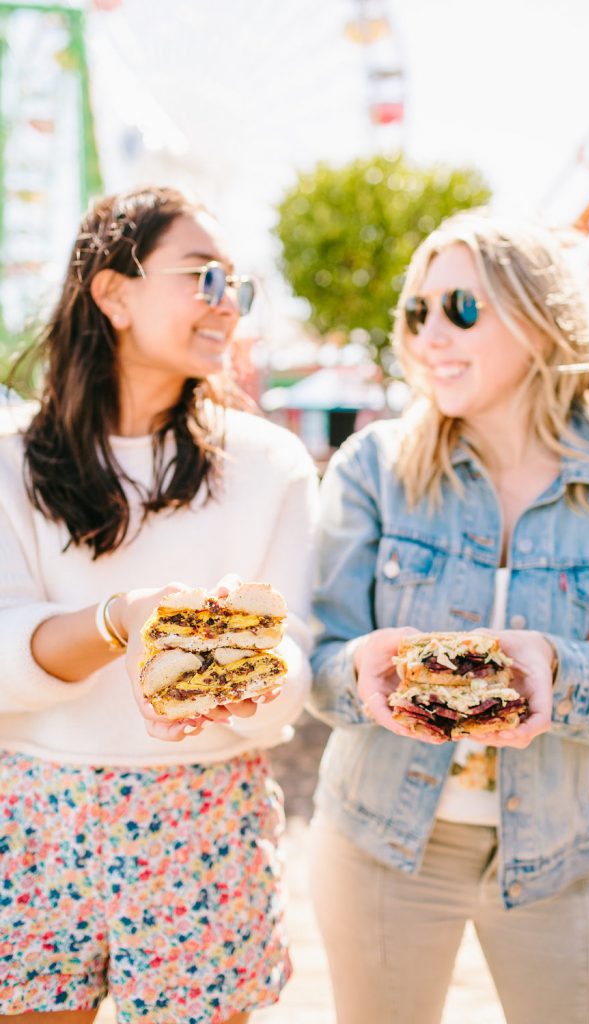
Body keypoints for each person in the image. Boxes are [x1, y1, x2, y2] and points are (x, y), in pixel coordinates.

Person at [308, 210, 589, 1024]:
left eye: (462, 309)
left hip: (560, 857)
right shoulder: (372, 468)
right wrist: (358, 671)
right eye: (418, 312)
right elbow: (317, 657)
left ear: (540, 322)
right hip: (378, 843)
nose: (431, 334)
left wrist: (557, 670)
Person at [0, 186, 318, 1024]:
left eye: (235, 289)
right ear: (112, 292)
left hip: (205, 810)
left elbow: (290, 665)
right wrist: (121, 622)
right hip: (30, 811)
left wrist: (249, 675)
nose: (227, 307)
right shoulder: (8, 460)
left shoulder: (270, 465)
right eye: (202, 277)